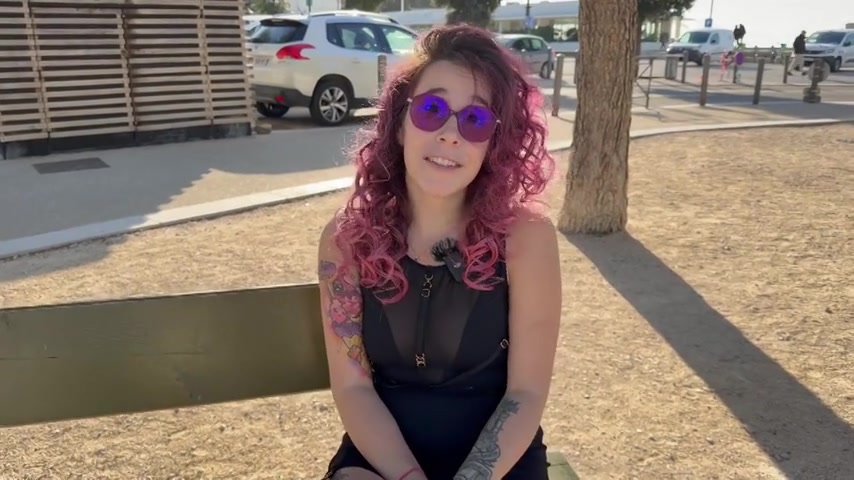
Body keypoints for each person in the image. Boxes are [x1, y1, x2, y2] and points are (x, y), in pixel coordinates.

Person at [316, 24, 562, 480]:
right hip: (383, 458)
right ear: (400, 124)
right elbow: (353, 389)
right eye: (432, 109)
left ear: (493, 143)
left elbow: (525, 393)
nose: (451, 134)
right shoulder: (347, 239)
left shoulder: (527, 238)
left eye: (476, 120)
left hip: (499, 463)